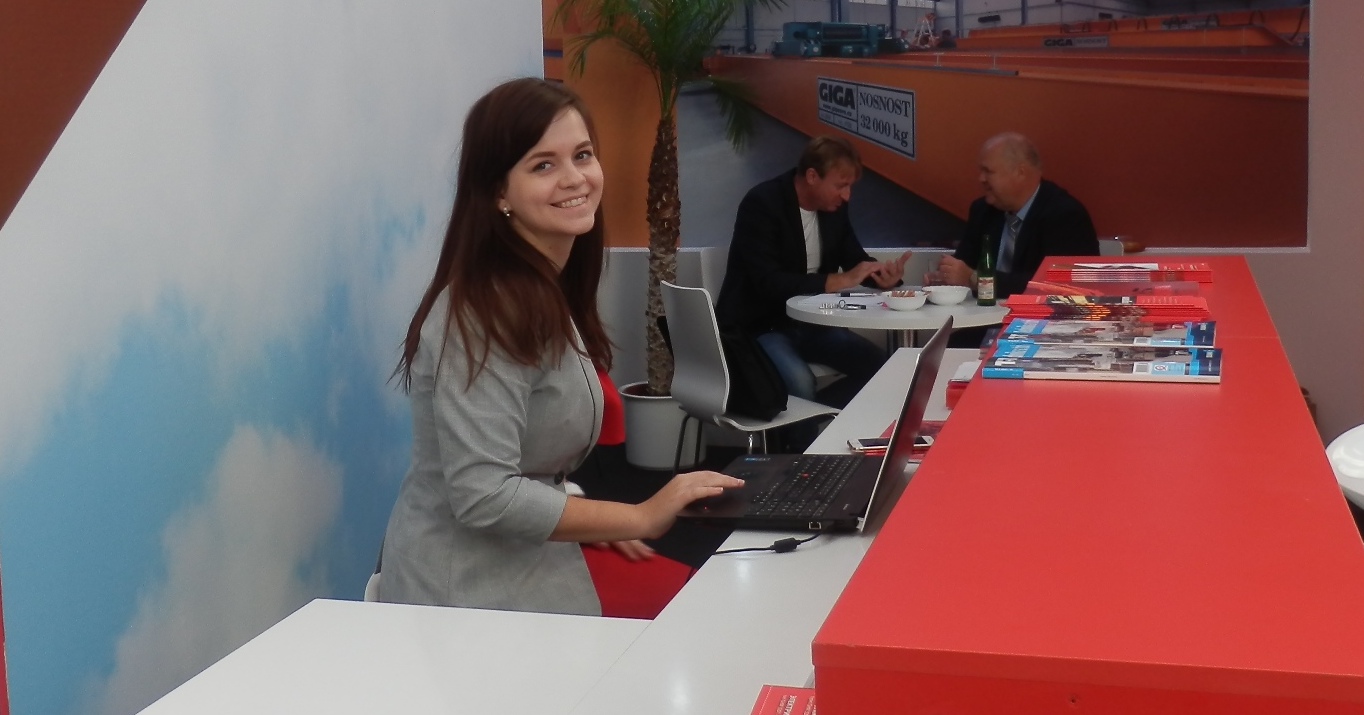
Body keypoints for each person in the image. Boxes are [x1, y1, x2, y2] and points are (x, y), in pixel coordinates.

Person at [377, 78, 740, 614]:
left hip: (523, 567)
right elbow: (483, 493)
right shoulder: (486, 311)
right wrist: (639, 516)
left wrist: (587, 512)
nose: (574, 178)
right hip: (466, 598)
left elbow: (523, 458)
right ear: (499, 192)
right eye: (543, 164)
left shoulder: (542, 287)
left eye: (582, 155)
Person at [718, 135, 908, 406]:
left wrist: (882, 278)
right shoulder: (763, 203)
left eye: (850, 186)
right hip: (761, 327)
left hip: (811, 325)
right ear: (811, 176)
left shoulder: (833, 209)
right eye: (841, 185)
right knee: (800, 382)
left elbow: (854, 259)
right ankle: (807, 429)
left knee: (881, 366)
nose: (847, 195)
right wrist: (834, 281)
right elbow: (768, 283)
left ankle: (819, 421)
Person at [928, 132, 1098, 298]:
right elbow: (964, 266)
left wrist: (977, 279)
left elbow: (1058, 286)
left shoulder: (1065, 215)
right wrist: (944, 278)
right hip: (983, 314)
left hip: (1039, 316)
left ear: (1020, 173)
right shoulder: (983, 210)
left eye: (988, 171)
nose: (981, 178)